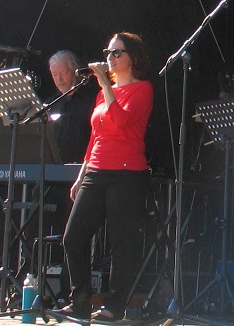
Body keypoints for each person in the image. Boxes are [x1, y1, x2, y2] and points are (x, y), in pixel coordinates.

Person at [56, 32, 154, 321]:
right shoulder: (102, 93)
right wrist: (81, 174)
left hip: (126, 173)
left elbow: (122, 121)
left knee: (120, 242)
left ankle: (115, 304)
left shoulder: (142, 89)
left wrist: (106, 87)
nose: (109, 58)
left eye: (116, 53)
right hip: (97, 170)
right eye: (108, 52)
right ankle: (80, 299)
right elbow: (95, 137)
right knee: (73, 237)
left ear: (132, 58)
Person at [44, 50, 96, 303]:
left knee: (73, 233)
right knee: (32, 217)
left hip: (81, 175)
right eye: (55, 75)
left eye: (63, 72)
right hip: (53, 175)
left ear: (75, 70)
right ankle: (30, 285)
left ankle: (70, 293)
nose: (59, 79)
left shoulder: (91, 98)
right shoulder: (53, 102)